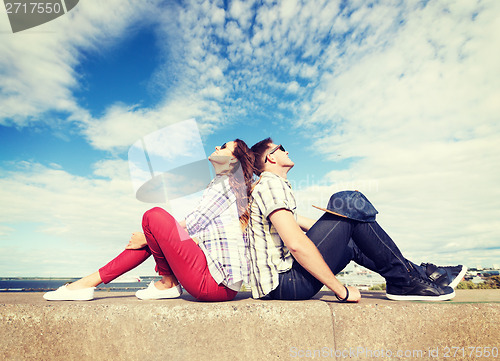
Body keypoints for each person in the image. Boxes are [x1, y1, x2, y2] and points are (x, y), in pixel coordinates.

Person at [246, 138, 466, 302]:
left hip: (283, 283)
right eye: (281, 148)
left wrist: (352, 221)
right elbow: (296, 244)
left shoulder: (272, 187)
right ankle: (410, 279)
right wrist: (341, 290)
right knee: (347, 201)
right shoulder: (271, 185)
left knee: (351, 223)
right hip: (286, 283)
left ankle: (415, 275)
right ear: (271, 157)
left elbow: (316, 229)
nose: (287, 150)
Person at [44, 139, 255, 302]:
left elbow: (194, 223)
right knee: (154, 226)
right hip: (219, 284)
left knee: (153, 216)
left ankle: (165, 283)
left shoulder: (224, 184)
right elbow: (201, 233)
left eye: (225, 146)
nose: (217, 146)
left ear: (234, 159)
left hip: (213, 284)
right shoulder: (224, 184)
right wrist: (153, 238)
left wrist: (148, 236)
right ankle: (91, 283)